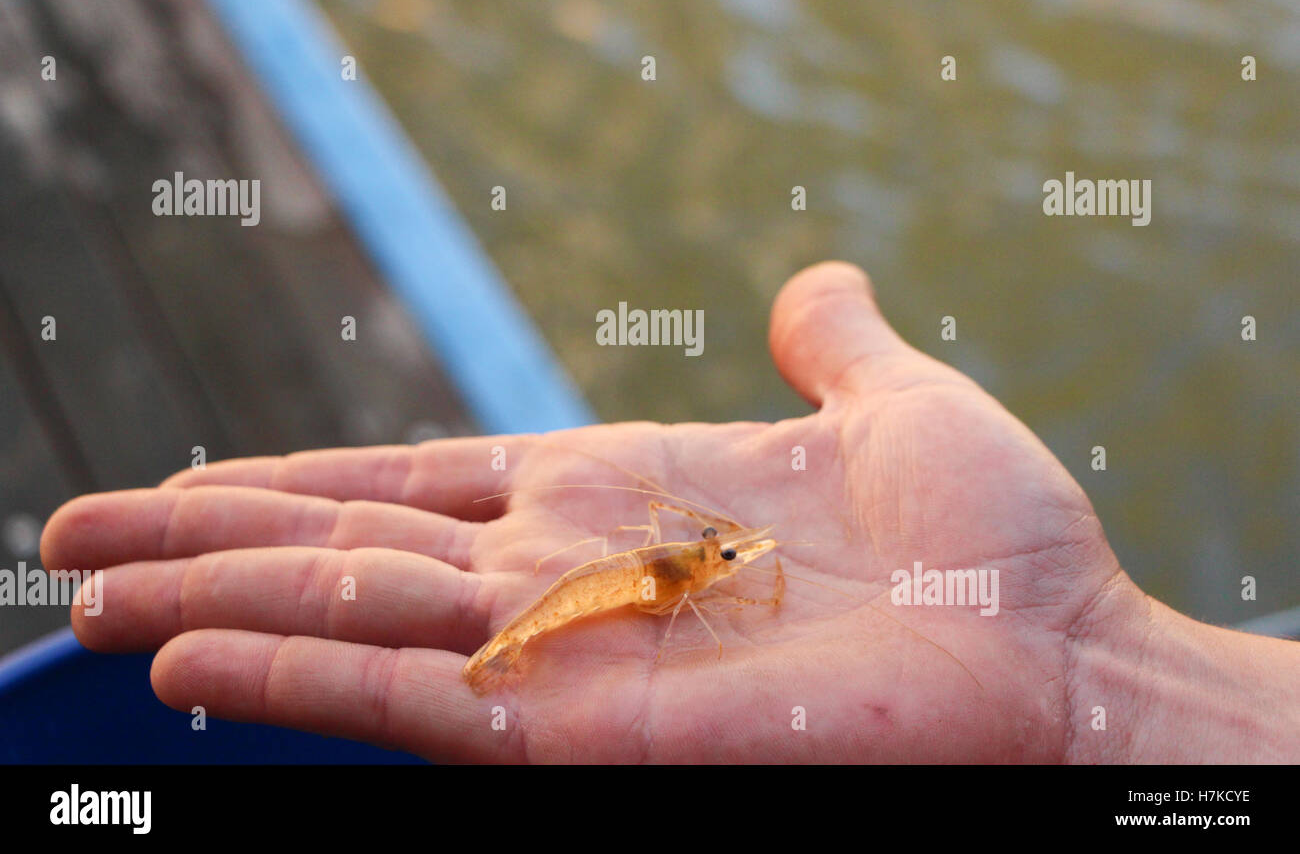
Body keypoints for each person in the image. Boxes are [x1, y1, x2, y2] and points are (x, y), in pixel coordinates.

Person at [40, 262, 1299, 762]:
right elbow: (658, 581)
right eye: (729, 552)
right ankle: (498, 645)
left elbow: (694, 572)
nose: (744, 558)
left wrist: (1096, 689)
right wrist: (1101, 688)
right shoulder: (667, 570)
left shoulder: (700, 564)